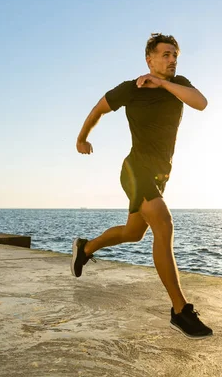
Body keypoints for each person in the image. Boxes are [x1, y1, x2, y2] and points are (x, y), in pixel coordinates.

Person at [72, 33, 213, 339]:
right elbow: (98, 108)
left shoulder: (179, 85)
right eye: (165, 55)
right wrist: (82, 137)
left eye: (175, 54)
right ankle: (179, 311)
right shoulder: (130, 89)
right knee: (163, 224)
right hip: (135, 169)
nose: (172, 59)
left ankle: (85, 247)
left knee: (133, 233)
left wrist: (162, 83)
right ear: (149, 58)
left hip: (160, 174)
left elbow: (201, 103)